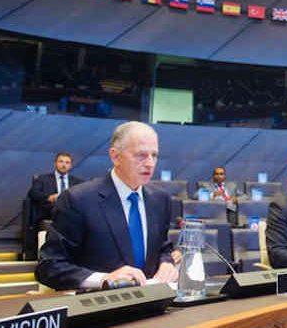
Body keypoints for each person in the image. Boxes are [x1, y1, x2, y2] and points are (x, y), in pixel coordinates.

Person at [35, 122, 178, 290]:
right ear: (115, 156)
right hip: (99, 308)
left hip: (154, 307)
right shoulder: (78, 200)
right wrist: (104, 279)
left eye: (154, 155)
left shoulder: (160, 200)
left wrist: (167, 263)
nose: (150, 163)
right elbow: (49, 266)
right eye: (141, 155)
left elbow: (163, 248)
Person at [25, 153, 84, 260]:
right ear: (55, 163)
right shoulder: (43, 179)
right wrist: (49, 197)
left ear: (70, 165)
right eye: (61, 161)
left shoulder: (78, 182)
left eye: (67, 162)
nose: (64, 165)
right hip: (49, 213)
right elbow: (33, 193)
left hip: (70, 215)